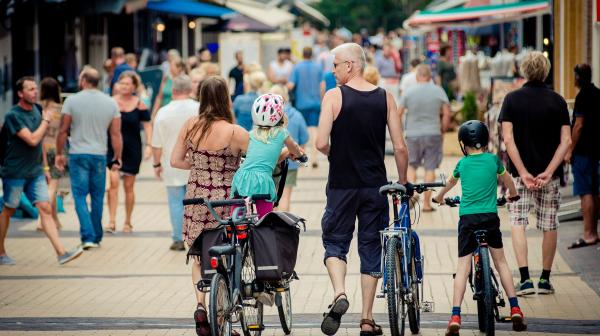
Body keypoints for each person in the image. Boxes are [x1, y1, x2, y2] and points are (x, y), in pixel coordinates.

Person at [316, 43, 408, 336]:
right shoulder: (385, 98)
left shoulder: (333, 97)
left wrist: (335, 153)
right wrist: (403, 182)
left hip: (342, 185)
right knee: (371, 247)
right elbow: (401, 146)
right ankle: (367, 319)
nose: (332, 71)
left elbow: (319, 143)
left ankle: (340, 293)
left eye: (335, 65)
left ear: (351, 65)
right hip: (374, 186)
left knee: (335, 242)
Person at [170, 76, 249, 336]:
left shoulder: (190, 126)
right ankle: (222, 317)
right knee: (227, 251)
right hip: (227, 200)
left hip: (197, 199)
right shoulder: (235, 131)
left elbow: (175, 161)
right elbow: (255, 160)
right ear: (225, 97)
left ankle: (200, 305)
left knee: (197, 255)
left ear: (202, 97)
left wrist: (200, 167)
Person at [433, 120, 527, 336]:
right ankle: (515, 308)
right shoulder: (494, 161)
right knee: (501, 262)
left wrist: (439, 197)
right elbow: (508, 180)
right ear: (485, 142)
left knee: (463, 266)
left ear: (463, 144)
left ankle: (455, 316)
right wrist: (512, 195)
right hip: (490, 218)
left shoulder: (462, 165)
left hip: (468, 220)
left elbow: (449, 183)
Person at [498, 51, 571, 295]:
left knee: (518, 222)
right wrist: (549, 171)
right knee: (550, 224)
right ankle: (545, 280)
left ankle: (526, 279)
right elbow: (566, 141)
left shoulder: (511, 99)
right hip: (548, 176)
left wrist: (523, 172)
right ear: (546, 70)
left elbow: (508, 140)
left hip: (519, 176)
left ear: (523, 70)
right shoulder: (558, 101)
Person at [0, 77, 83, 265]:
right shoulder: (14, 116)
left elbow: (41, 145)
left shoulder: (37, 110)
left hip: (35, 171)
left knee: (45, 208)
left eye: (36, 88)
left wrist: (45, 167)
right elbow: (32, 139)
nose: (35, 92)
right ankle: (1, 252)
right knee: (9, 209)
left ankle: (61, 253)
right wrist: (46, 120)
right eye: (30, 89)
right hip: (15, 171)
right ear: (20, 93)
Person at [56, 67, 123, 250]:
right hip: (99, 155)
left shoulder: (72, 101)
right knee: (97, 196)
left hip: (78, 154)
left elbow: (63, 130)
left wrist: (59, 153)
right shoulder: (110, 103)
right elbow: (116, 134)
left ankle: (88, 236)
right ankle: (97, 235)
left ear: (84, 80)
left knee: (79, 195)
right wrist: (117, 156)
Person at [230, 93, 304, 218]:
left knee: (235, 218)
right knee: (264, 220)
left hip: (241, 178)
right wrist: (299, 155)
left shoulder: (252, 133)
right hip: (263, 181)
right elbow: (294, 147)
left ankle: (234, 235)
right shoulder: (281, 132)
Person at [152, 75, 198, 251]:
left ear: (173, 91)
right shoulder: (199, 109)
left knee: (175, 202)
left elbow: (156, 144)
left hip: (171, 164)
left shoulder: (163, 112)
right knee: (195, 202)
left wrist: (156, 164)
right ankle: (195, 236)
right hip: (195, 163)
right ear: (190, 89)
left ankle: (178, 238)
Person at [398, 64, 451, 211]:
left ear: (417, 77)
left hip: (413, 134)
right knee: (430, 167)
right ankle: (427, 204)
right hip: (433, 133)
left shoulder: (409, 92)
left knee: (412, 165)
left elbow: (398, 113)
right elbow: (447, 113)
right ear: (430, 77)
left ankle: (411, 194)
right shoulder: (438, 91)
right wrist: (443, 130)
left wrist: (400, 132)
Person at [105, 71, 152, 233]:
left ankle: (127, 221)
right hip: (112, 148)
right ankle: (111, 221)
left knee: (129, 187)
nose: (124, 86)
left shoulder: (139, 104)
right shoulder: (110, 103)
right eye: (121, 83)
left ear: (134, 86)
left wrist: (149, 145)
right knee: (113, 184)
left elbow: (147, 125)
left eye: (127, 84)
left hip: (133, 149)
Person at [565, 64, 600, 248]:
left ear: (578, 77)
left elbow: (578, 125)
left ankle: (588, 234)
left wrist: (570, 149)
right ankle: (594, 231)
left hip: (584, 151)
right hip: (596, 150)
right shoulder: (597, 93)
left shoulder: (582, 97)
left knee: (585, 192)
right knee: (594, 192)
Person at [267, 85, 308, 212]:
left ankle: (270, 225)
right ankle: (282, 226)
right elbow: (304, 138)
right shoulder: (297, 115)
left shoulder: (267, 116)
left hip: (271, 162)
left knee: (271, 195)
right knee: (285, 195)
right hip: (291, 164)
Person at [36, 77, 66, 232]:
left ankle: (54, 219)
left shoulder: (36, 108)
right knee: (52, 187)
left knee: (43, 185)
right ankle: (42, 220)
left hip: (38, 149)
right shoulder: (61, 109)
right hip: (55, 149)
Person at [287, 47, 322, 169]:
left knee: (303, 130)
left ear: (302, 54)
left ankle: (302, 157)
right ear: (311, 54)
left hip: (301, 104)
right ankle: (315, 158)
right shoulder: (318, 67)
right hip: (316, 103)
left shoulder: (297, 68)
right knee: (314, 129)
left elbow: (290, 85)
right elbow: (322, 85)